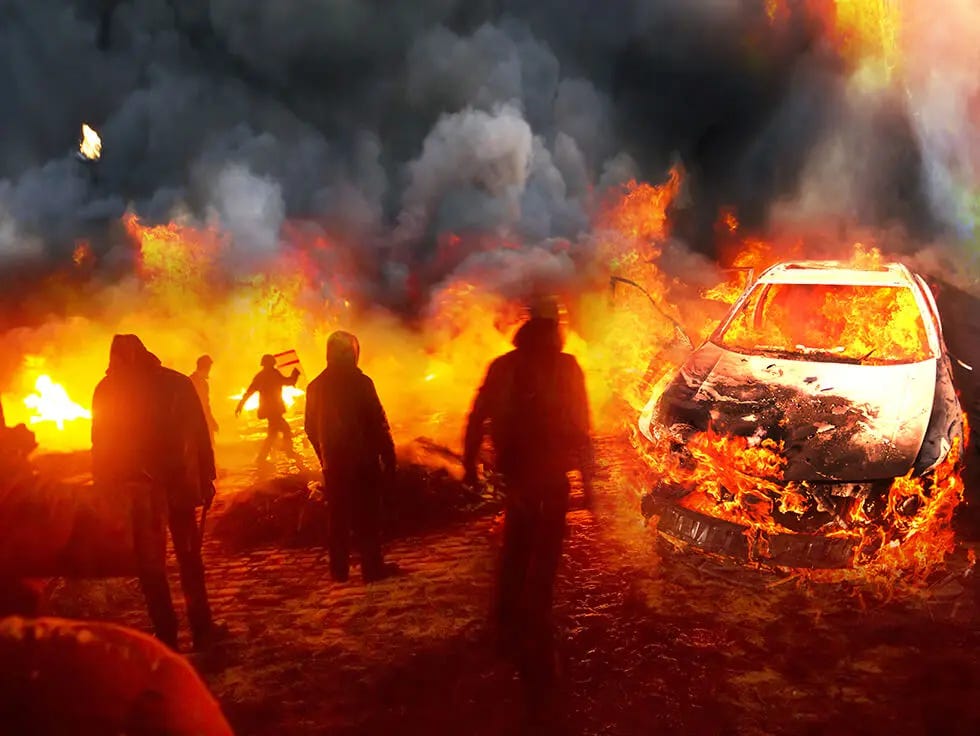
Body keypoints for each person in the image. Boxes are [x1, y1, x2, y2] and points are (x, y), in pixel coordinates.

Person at [462, 298, 594, 721]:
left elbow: (477, 414)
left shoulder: (502, 365)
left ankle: (507, 613)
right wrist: (588, 482)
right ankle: (535, 613)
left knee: (519, 537)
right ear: (555, 330)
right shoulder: (567, 365)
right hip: (551, 470)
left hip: (518, 469)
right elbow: (582, 421)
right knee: (549, 541)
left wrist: (469, 463)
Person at [91, 334, 219, 651]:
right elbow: (201, 437)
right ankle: (199, 629)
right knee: (184, 560)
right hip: (172, 488)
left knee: (155, 566)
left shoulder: (110, 389)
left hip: (145, 493)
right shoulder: (174, 384)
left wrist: (104, 488)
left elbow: (101, 446)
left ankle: (169, 633)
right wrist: (206, 478)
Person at [304, 331, 397, 583]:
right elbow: (378, 423)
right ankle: (372, 569)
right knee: (367, 516)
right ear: (353, 353)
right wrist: (389, 458)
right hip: (363, 462)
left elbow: (310, 428)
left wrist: (325, 457)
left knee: (338, 517)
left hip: (334, 464)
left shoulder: (314, 387)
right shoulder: (361, 383)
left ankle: (339, 570)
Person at [235, 354, 301, 467]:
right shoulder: (273, 374)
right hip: (274, 410)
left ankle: (262, 458)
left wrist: (240, 405)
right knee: (285, 429)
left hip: (269, 410)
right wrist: (295, 375)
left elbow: (249, 391)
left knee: (272, 434)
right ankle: (289, 452)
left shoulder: (261, 376)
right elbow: (288, 382)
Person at [189, 355, 219, 449]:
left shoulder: (203, 383)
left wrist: (211, 420)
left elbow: (206, 404)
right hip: (195, 421)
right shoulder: (192, 381)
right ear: (205, 367)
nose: (209, 370)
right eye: (209, 367)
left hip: (202, 420)